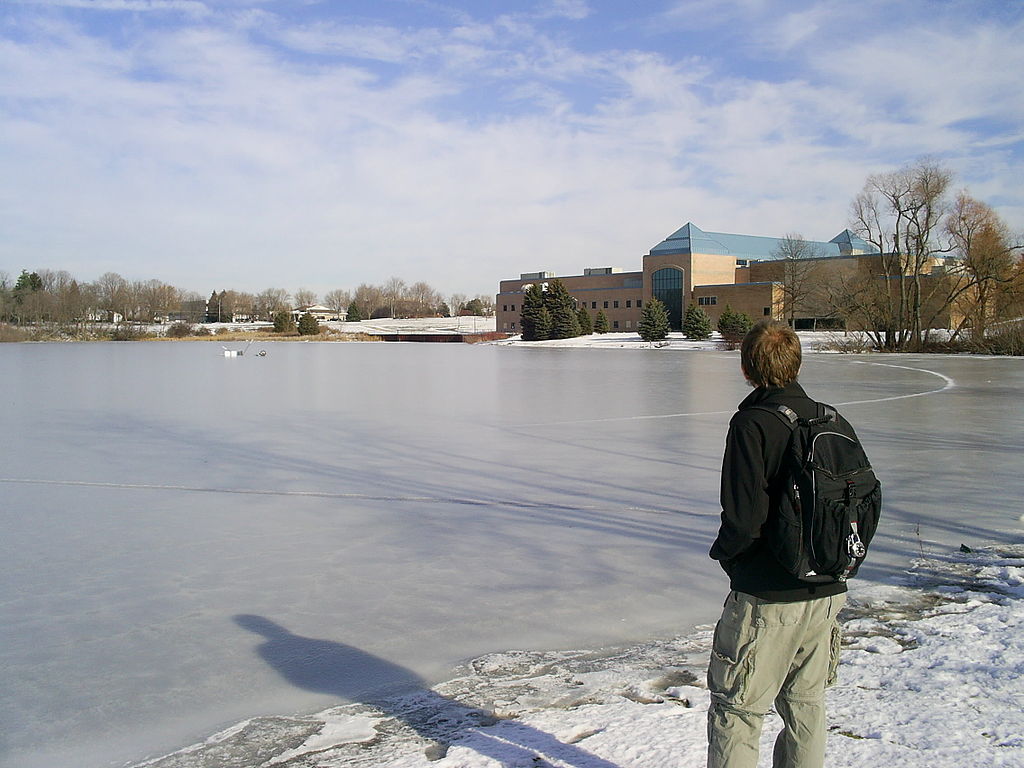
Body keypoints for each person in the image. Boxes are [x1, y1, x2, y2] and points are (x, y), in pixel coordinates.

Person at [707, 319, 845, 768]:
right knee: (806, 707)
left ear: (748, 368)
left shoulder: (752, 424)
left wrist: (730, 559)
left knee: (738, 711)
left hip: (768, 595)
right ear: (797, 364)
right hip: (826, 591)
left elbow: (743, 520)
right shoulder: (830, 418)